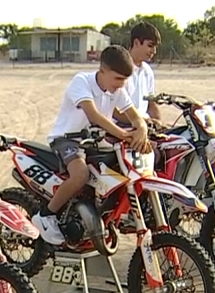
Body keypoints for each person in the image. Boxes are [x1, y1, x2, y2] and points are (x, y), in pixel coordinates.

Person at [32, 45, 150, 244]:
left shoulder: (117, 90)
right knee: (80, 174)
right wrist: (124, 134)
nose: (121, 85)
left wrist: (142, 130)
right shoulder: (82, 81)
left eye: (125, 80)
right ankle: (45, 215)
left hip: (94, 141)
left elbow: (134, 115)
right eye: (118, 79)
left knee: (120, 170)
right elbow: (93, 115)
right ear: (102, 70)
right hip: (67, 139)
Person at [114, 21, 163, 127]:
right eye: (150, 45)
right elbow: (114, 109)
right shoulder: (118, 67)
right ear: (136, 42)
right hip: (122, 126)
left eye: (155, 47)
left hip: (144, 124)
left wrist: (158, 121)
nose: (154, 51)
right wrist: (138, 121)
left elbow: (151, 103)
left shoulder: (147, 71)